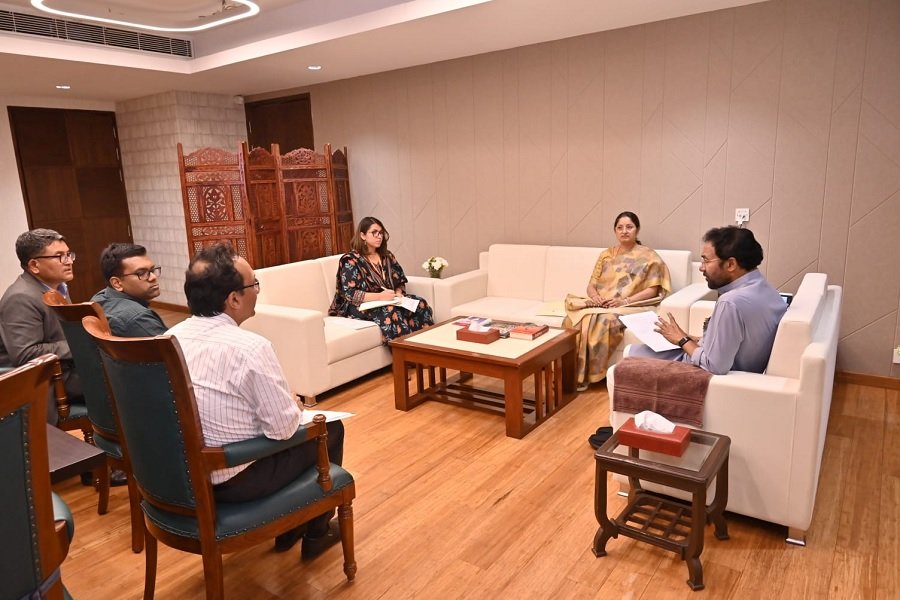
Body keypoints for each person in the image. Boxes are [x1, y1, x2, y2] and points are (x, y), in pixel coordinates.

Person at [167, 243, 345, 558]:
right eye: (254, 285)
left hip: (181, 476)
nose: (258, 292)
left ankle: (292, 526)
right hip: (235, 478)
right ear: (234, 299)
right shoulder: (250, 347)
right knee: (330, 430)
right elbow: (282, 430)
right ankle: (315, 531)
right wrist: (294, 406)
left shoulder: (168, 339)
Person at [632, 226, 787, 375]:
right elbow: (737, 342)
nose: (701, 268)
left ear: (731, 264)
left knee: (633, 354)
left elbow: (715, 365)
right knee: (641, 350)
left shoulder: (731, 302)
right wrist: (690, 338)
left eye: (706, 261)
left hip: (704, 373)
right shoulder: (767, 289)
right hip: (728, 364)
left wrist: (682, 340)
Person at [563, 211, 672, 391]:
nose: (624, 231)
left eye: (629, 227)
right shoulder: (606, 255)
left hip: (632, 305)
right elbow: (591, 285)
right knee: (573, 319)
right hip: (602, 304)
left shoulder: (650, 256)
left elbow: (653, 290)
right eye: (619, 228)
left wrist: (624, 301)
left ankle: (587, 376)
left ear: (637, 229)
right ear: (615, 231)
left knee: (603, 321)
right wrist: (595, 297)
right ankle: (566, 373)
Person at [0, 229, 83, 424]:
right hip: (48, 380)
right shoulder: (21, 298)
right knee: (120, 383)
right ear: (34, 265)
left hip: (66, 369)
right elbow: (25, 353)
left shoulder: (58, 287)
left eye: (69, 254)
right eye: (59, 256)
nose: (69, 261)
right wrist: (80, 344)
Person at [328, 216, 434, 342]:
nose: (379, 236)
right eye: (374, 233)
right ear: (363, 235)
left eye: (381, 233)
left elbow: (399, 280)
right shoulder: (351, 260)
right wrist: (380, 297)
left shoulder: (387, 256)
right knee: (391, 310)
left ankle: (426, 346)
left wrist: (398, 293)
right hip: (360, 306)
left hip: (389, 300)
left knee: (420, 303)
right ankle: (405, 351)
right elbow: (350, 294)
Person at [91, 243, 167, 337]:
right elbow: (173, 346)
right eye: (141, 273)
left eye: (152, 270)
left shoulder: (99, 298)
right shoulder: (138, 318)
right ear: (117, 283)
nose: (153, 277)